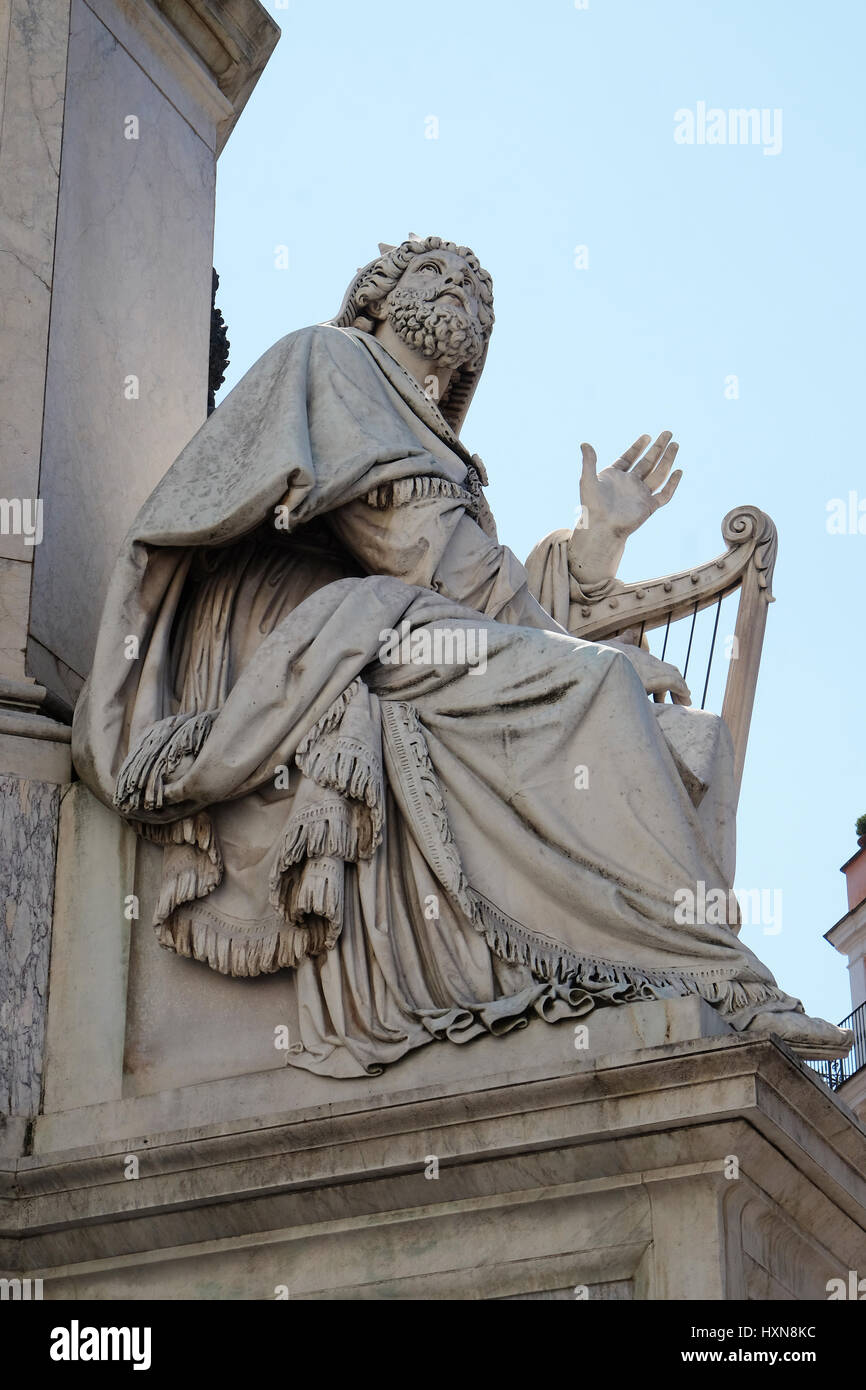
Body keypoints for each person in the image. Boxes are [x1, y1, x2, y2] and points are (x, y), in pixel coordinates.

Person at [72, 236, 852, 1077]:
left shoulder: (434, 445)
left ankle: (667, 961)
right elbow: (425, 555)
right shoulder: (334, 359)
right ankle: (705, 971)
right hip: (307, 640)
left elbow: (473, 588)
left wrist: (591, 549)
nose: (462, 294)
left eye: (481, 294)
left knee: (690, 736)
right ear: (375, 295)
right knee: (595, 691)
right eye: (435, 274)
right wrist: (571, 645)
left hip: (389, 624)